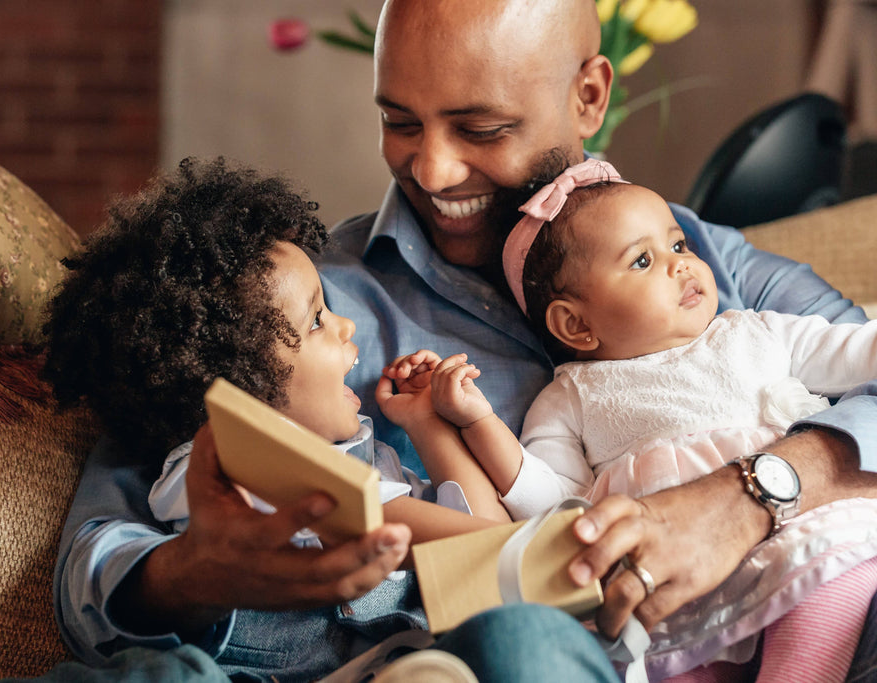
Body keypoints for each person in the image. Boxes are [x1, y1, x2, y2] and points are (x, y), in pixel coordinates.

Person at [52, 0, 877, 679]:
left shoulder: (697, 257)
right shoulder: (294, 301)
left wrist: (752, 491)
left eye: (481, 128)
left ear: (588, 96)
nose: (434, 170)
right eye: (400, 121)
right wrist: (191, 574)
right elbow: (103, 546)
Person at [41, 156, 610, 681]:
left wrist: (429, 428)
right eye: (317, 319)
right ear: (236, 385)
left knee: (516, 637)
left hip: (393, 662)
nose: (346, 327)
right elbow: (400, 525)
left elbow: (478, 569)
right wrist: (552, 552)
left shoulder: (374, 458)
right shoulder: (215, 469)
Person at [384, 158, 877, 681]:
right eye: (642, 261)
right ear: (574, 323)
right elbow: (551, 504)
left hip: (796, 528)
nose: (680, 264)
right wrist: (478, 419)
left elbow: (856, 350)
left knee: (832, 581)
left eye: (679, 245)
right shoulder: (569, 397)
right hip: (669, 585)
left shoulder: (758, 332)